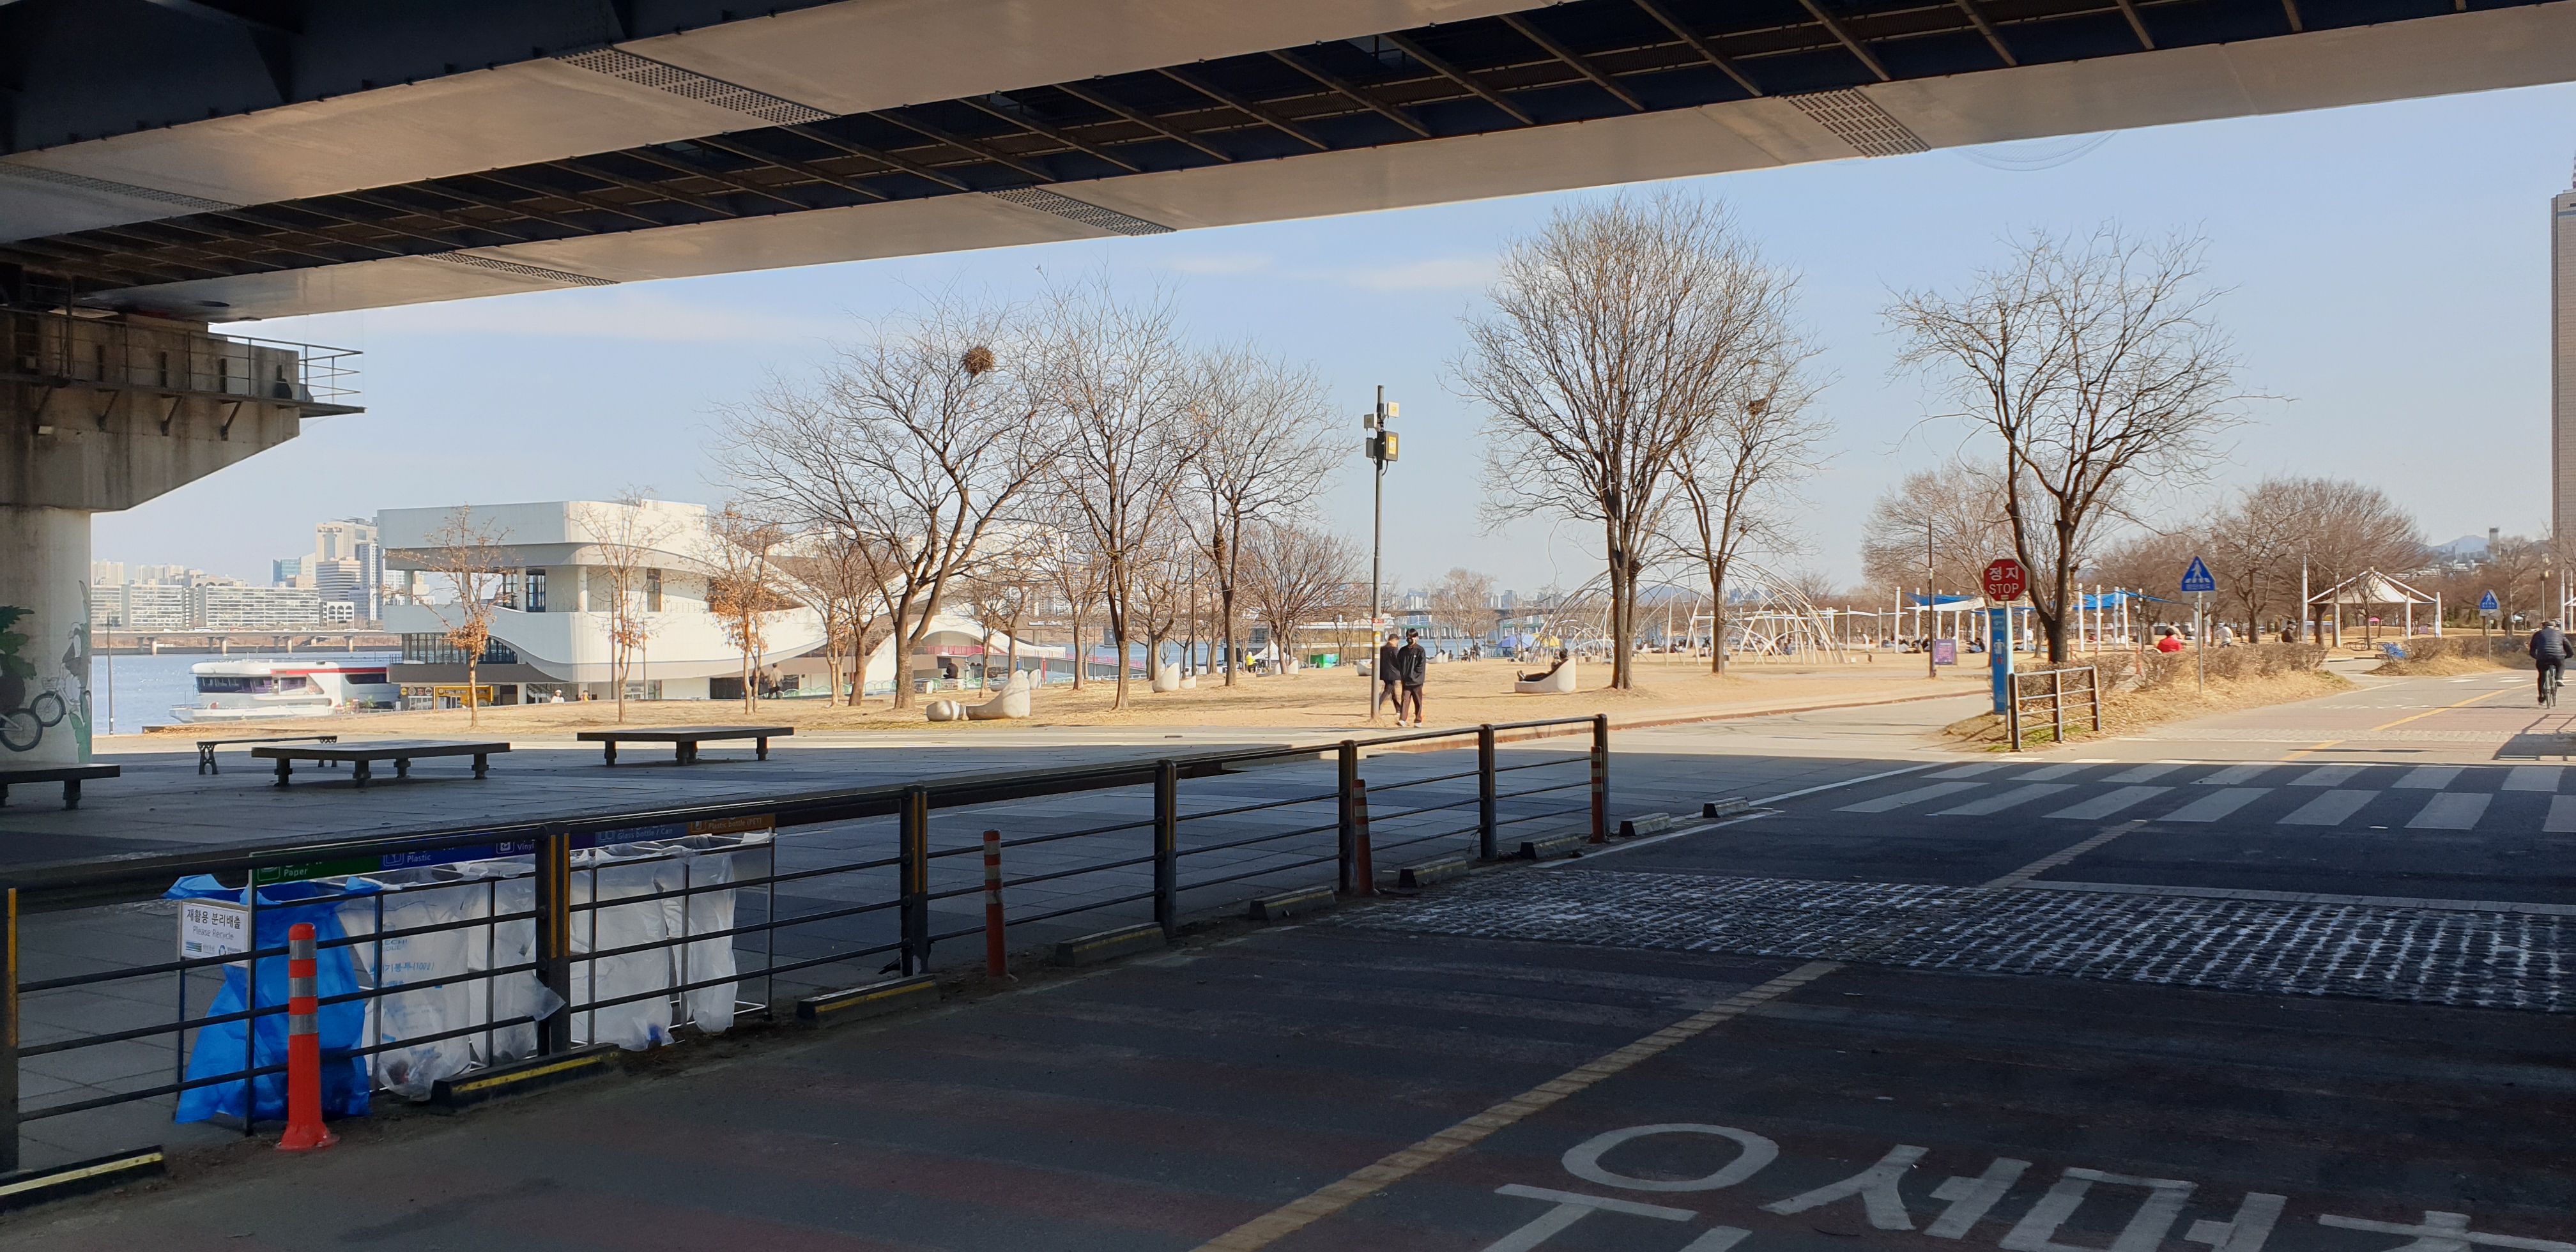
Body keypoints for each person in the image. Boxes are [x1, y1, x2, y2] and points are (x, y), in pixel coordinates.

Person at [1394, 629, 1429, 726]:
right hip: (1406, 680)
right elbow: (1399, 663)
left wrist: (1414, 675)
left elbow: (1421, 666)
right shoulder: (1403, 651)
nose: (1410, 639)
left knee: (1418, 701)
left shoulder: (1420, 650)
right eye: (1408, 637)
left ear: (1416, 638)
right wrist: (1403, 675)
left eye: (1412, 637)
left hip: (1417, 681)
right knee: (1405, 699)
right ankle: (1403, 719)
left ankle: (1418, 720)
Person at [2530, 620, 2570, 705]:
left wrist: (2536, 657)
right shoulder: (2560, 634)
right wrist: (2568, 656)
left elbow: (2532, 649)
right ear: (2554, 626)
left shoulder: (2538, 634)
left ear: (2543, 627)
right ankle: (2559, 678)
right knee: (2561, 664)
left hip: (2543, 657)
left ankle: (2542, 696)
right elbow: (2568, 646)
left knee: (2542, 676)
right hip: (2557, 656)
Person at [1374, 634, 1402, 722]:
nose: (1397, 644)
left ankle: (1399, 708)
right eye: (1397, 642)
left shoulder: (1382, 649)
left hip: (1384, 673)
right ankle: (1377, 706)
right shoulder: (1394, 649)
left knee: (1392, 691)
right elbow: (1398, 661)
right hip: (1393, 673)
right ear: (1394, 640)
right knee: (1388, 690)